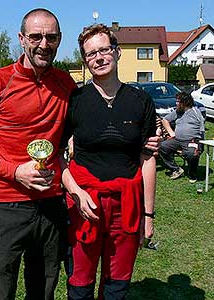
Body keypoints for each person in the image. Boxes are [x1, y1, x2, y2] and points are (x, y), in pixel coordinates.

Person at [0, 8, 76, 300]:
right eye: (36, 36)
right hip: (4, 205)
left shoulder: (66, 84)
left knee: (43, 290)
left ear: (60, 40)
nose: (43, 44)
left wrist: (143, 137)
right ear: (22, 39)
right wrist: (15, 171)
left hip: (51, 204)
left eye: (51, 37)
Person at [61, 24, 157, 300]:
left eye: (104, 50)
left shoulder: (140, 100)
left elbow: (148, 158)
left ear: (116, 52)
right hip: (84, 202)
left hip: (126, 203)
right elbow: (57, 154)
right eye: (91, 54)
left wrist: (148, 217)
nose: (99, 58)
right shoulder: (76, 100)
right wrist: (76, 193)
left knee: (117, 282)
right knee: (80, 281)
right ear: (85, 61)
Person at [159, 92, 205, 183]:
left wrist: (198, 142)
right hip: (177, 139)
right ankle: (176, 169)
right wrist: (171, 132)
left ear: (185, 102)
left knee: (192, 154)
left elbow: (202, 129)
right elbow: (165, 120)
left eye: (178, 102)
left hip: (192, 140)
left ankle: (192, 174)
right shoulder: (177, 112)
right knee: (162, 147)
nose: (176, 103)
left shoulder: (195, 112)